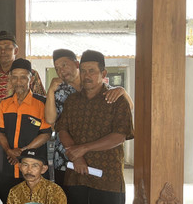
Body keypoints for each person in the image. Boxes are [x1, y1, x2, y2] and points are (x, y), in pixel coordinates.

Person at [56, 50, 134, 204]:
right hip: (77, 172)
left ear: (103, 73)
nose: (87, 75)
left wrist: (85, 148)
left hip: (107, 174)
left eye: (92, 71)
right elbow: (62, 129)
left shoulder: (115, 99)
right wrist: (77, 155)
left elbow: (120, 135)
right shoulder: (73, 100)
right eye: (84, 71)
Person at [45, 48, 133, 185]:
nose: (61, 71)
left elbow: (127, 109)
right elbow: (52, 121)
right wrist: (50, 91)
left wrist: (122, 91)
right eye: (57, 68)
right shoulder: (59, 91)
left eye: (64, 64)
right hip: (66, 154)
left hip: (100, 156)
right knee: (68, 199)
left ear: (76, 64)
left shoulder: (101, 88)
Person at [0, 31, 45, 204]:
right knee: (2, 174)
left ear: (15, 50)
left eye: (7, 48)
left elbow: (42, 102)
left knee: (27, 173)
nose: (3, 52)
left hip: (28, 136)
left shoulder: (31, 74)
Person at [0, 58, 52, 204]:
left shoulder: (42, 103)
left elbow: (46, 134)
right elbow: (0, 132)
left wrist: (22, 151)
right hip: (10, 163)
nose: (19, 81)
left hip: (34, 163)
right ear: (10, 79)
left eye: (23, 77)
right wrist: (9, 151)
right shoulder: (4, 104)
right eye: (15, 77)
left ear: (31, 79)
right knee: (10, 202)